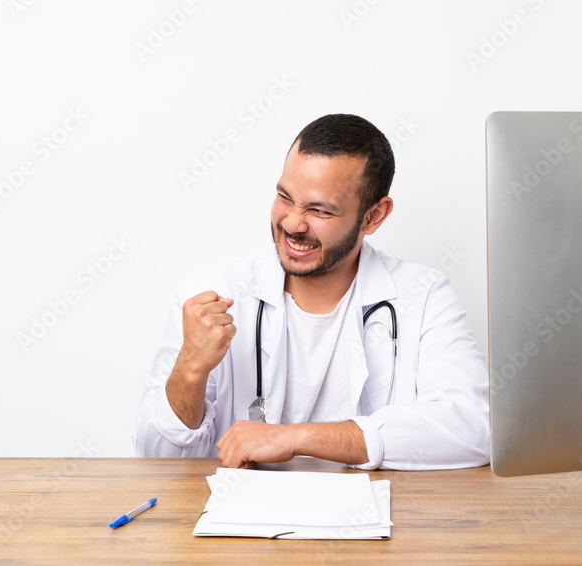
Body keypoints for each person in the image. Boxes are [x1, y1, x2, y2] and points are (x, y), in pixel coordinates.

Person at [135, 114, 489, 470]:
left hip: (372, 506)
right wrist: (190, 369)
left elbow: (472, 431)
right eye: (284, 197)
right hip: (241, 507)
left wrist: (294, 438)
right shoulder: (212, 292)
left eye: (319, 210)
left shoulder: (422, 295)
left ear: (373, 216)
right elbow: (158, 461)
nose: (293, 223)